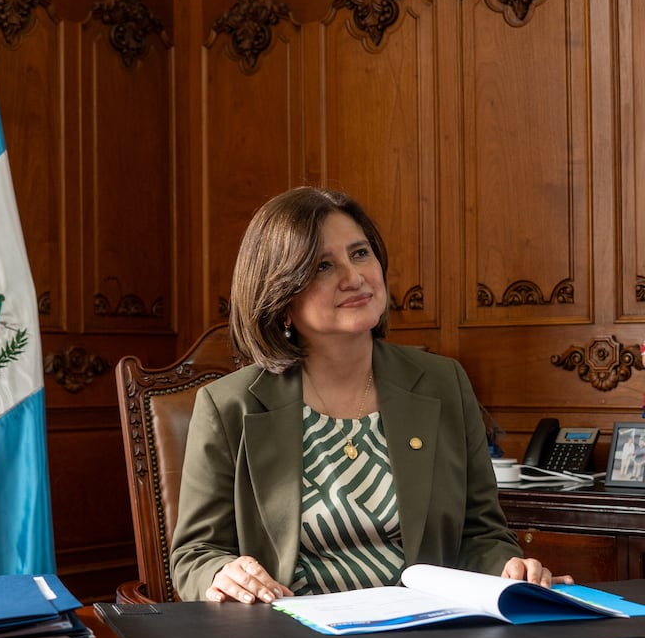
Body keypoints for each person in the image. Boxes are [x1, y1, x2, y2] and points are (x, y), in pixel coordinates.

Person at [170, 187, 564, 603]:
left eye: (360, 254)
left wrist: (508, 567)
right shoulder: (229, 405)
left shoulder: (442, 381)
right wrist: (222, 573)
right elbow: (194, 556)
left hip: (427, 633)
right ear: (281, 299)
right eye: (323, 265)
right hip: (294, 636)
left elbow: (481, 532)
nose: (354, 277)